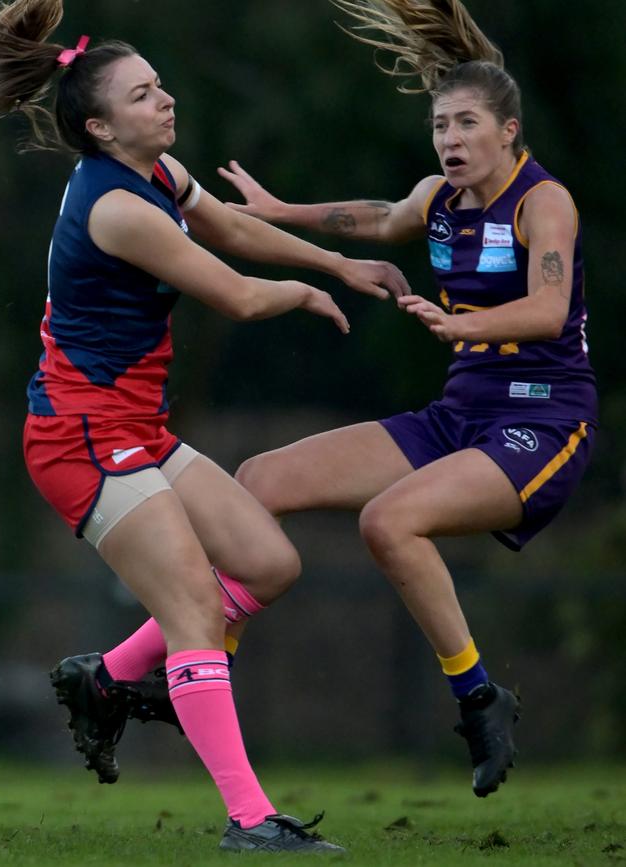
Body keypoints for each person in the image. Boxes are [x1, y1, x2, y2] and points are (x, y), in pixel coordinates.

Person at [0, 0, 409, 852]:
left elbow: (232, 226)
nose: (165, 101)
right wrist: (305, 292)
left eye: (160, 86)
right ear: (101, 126)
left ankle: (110, 677)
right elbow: (238, 293)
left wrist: (336, 258)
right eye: (143, 96)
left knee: (267, 563)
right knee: (195, 616)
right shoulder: (116, 207)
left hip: (135, 427)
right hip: (82, 439)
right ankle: (251, 820)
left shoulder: (159, 176)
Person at [213, 0, 596, 797]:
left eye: (465, 125)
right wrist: (281, 211)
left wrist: (465, 328)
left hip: (541, 418)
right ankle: (198, 667)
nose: (449, 141)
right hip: (457, 417)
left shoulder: (541, 202)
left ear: (509, 132)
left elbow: (550, 310)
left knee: (388, 520)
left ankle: (478, 695)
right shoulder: (439, 200)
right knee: (258, 480)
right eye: (439, 127)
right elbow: (383, 218)